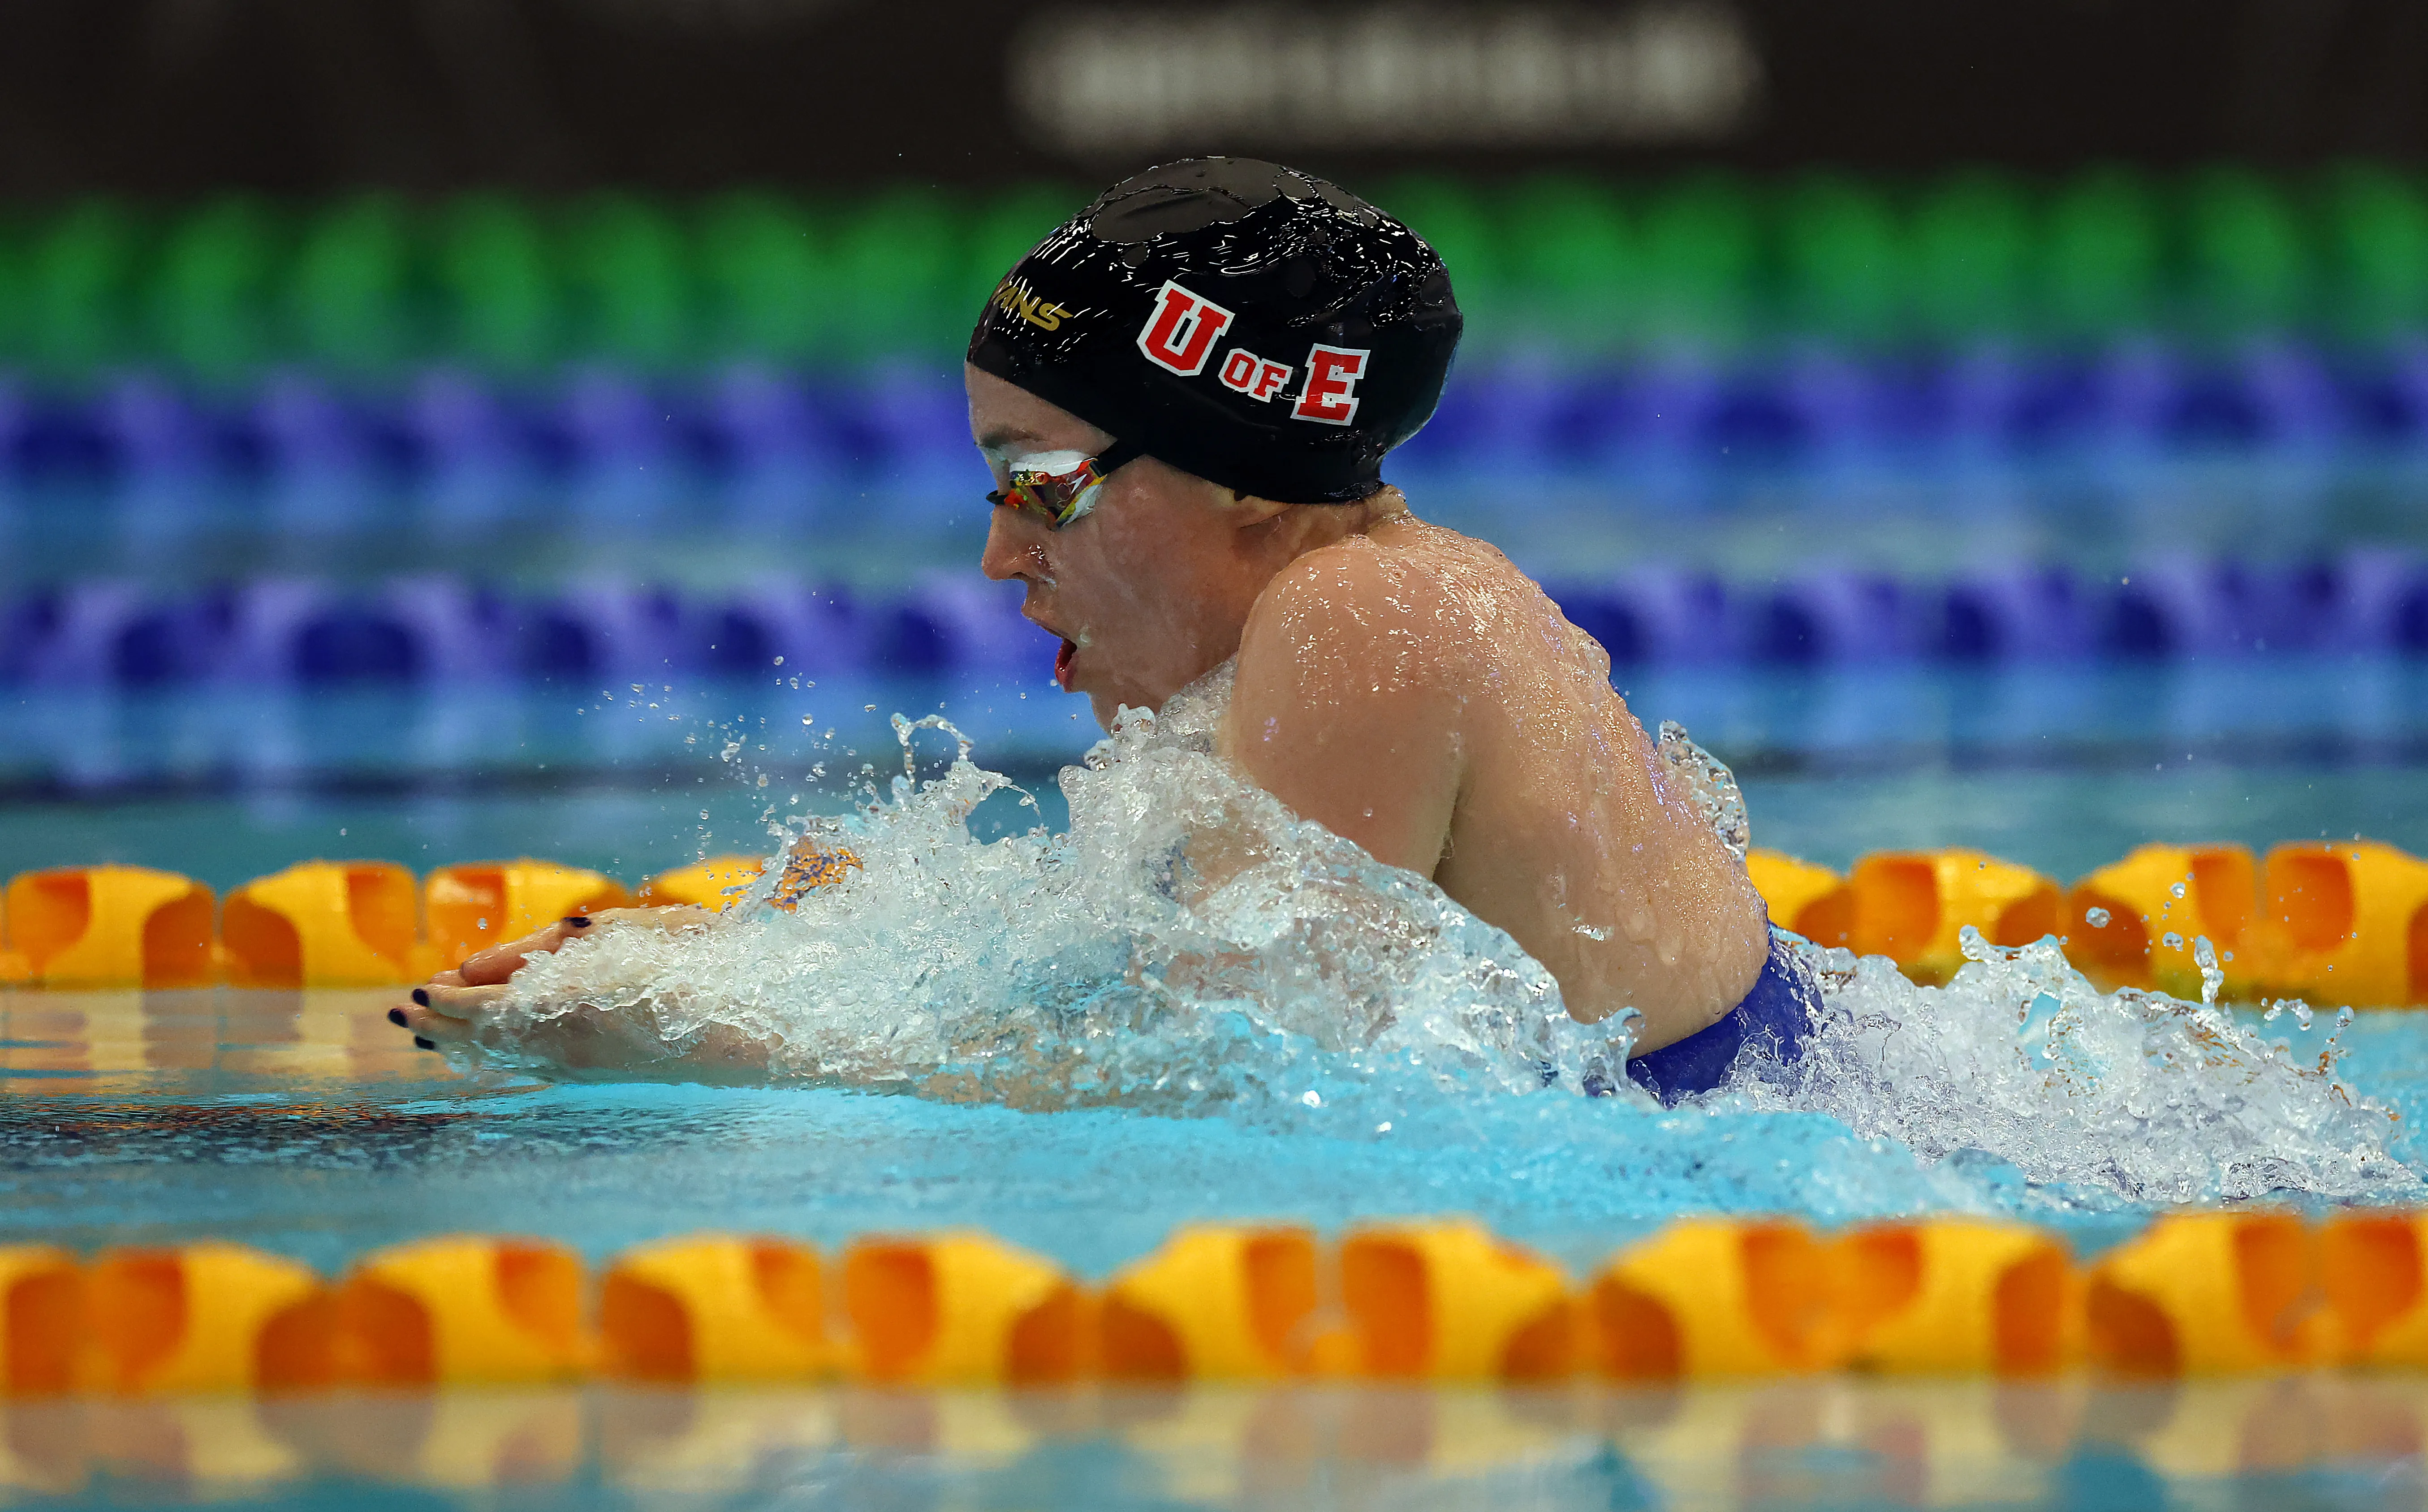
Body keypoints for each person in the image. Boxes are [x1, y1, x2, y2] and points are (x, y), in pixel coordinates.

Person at [392, 158, 1811, 1103]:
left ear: (1242, 476)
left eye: (1041, 485)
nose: (1002, 555)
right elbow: (1192, 992)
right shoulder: (1349, 618)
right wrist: (778, 956)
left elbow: (1245, 1079)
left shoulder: (1361, 610)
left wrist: (709, 1042)